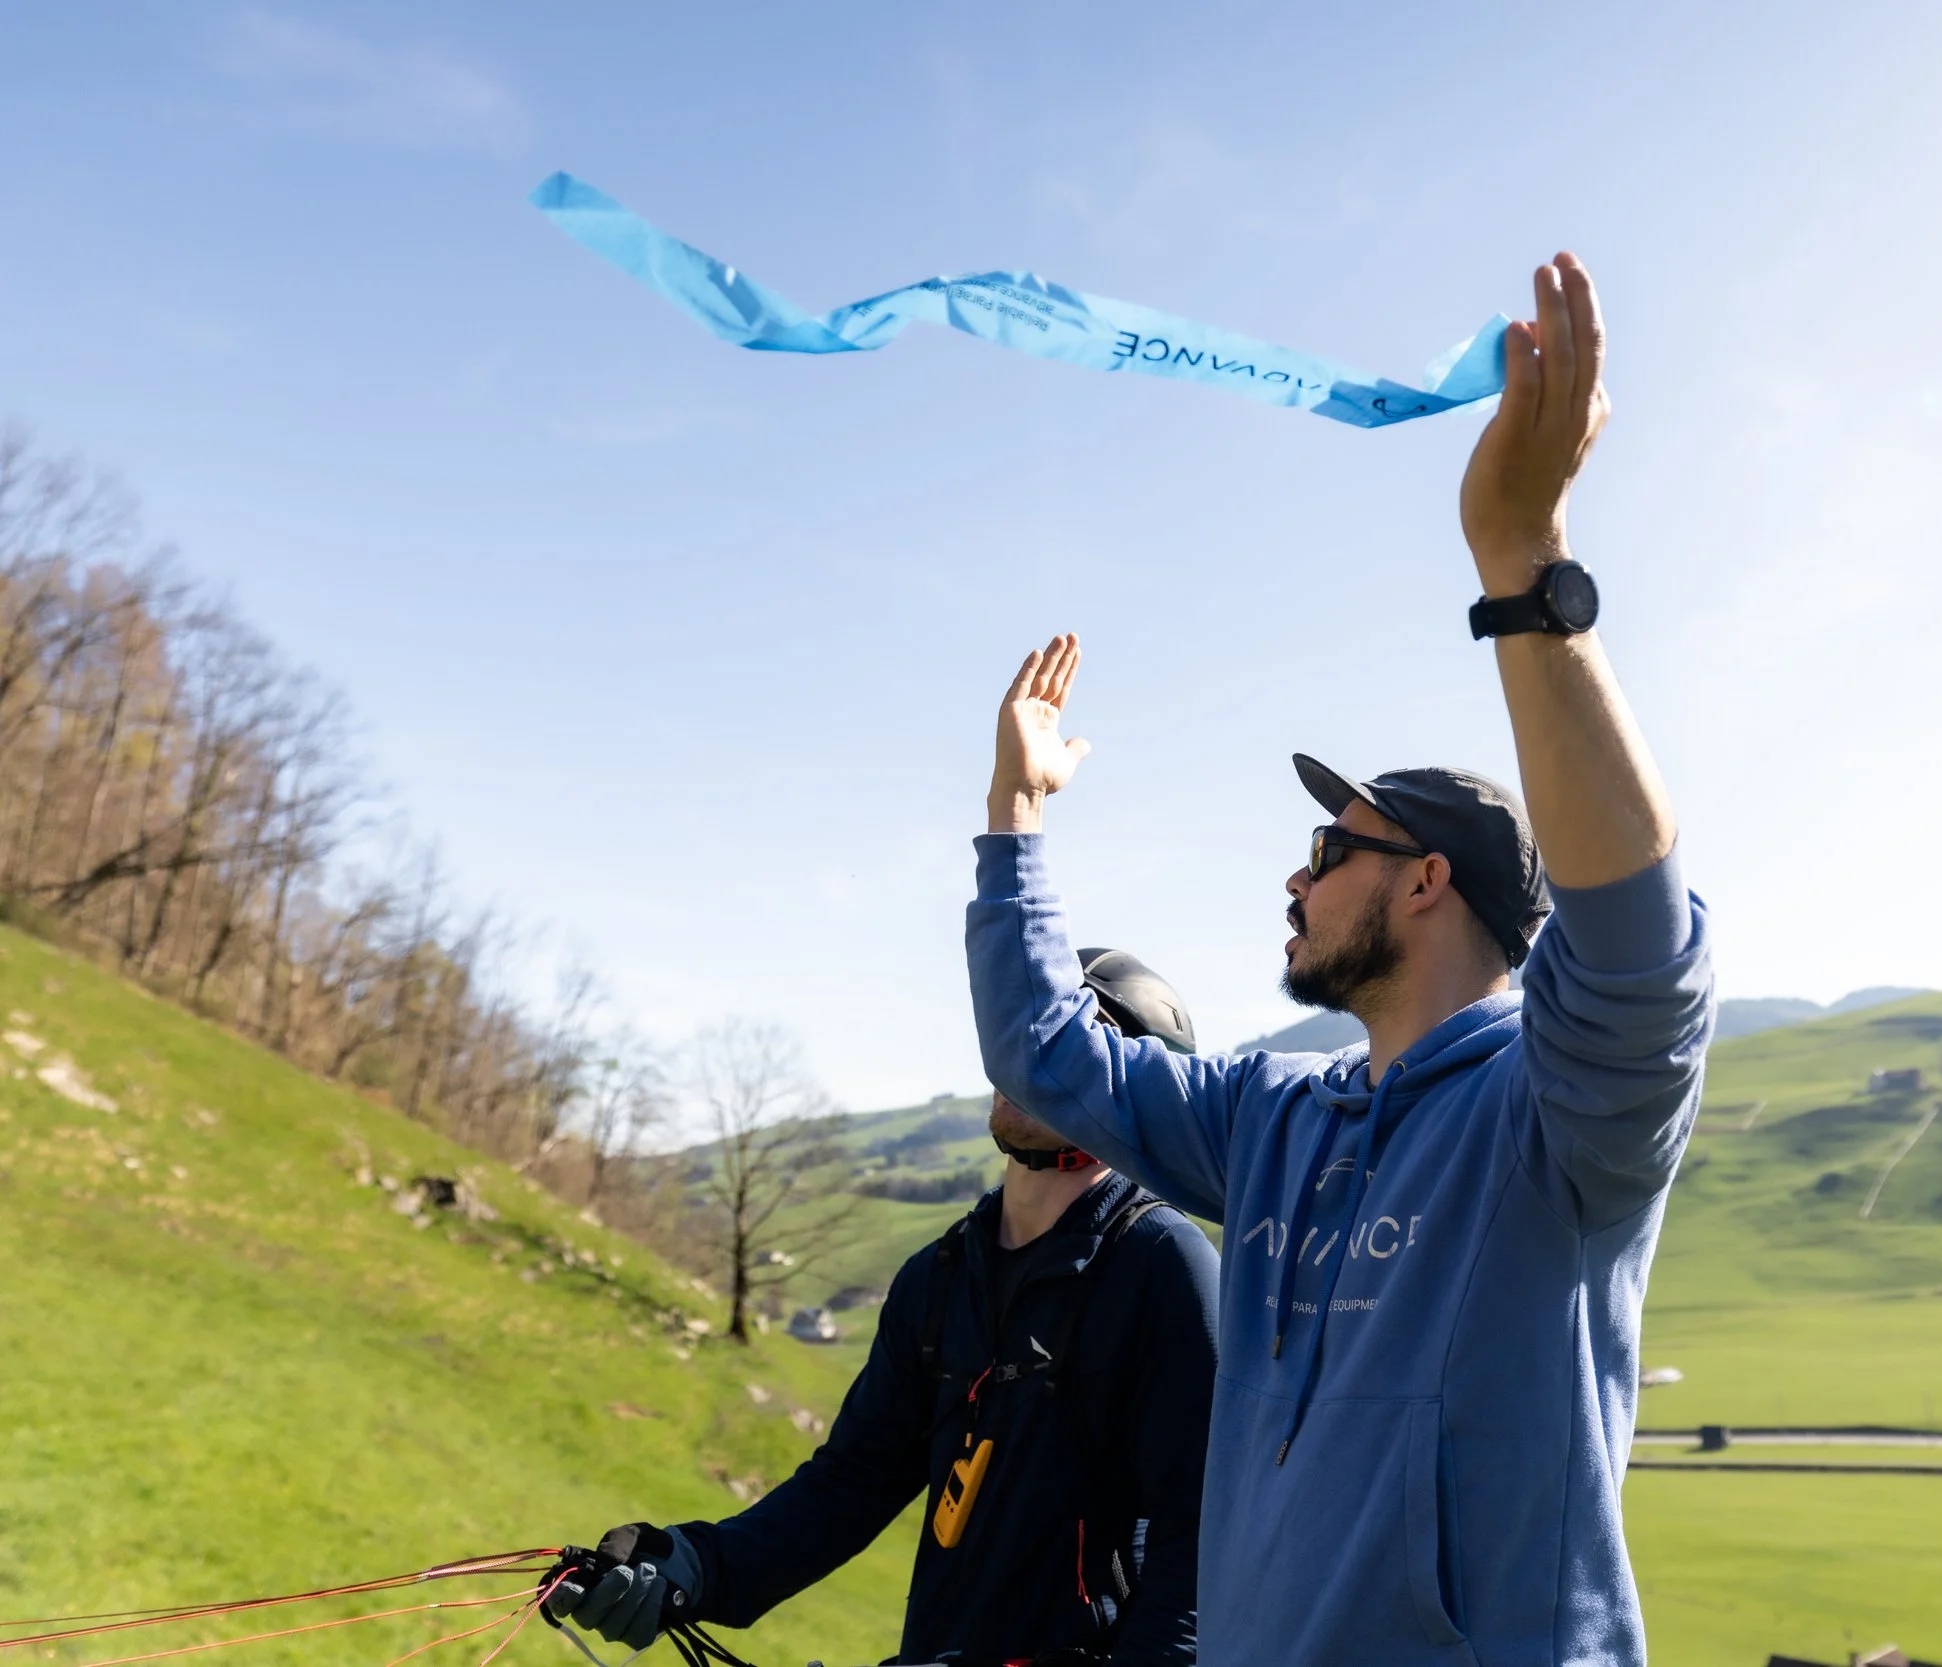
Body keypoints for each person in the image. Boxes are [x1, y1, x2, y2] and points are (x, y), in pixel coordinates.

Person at [967, 254, 1712, 1666]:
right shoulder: (1270, 1116)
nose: (1295, 876)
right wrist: (1018, 817)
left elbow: (1635, 946)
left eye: (1333, 847)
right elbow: (1045, 1057)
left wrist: (1521, 568)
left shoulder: (1555, 1117)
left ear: (1428, 880)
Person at [546, 950, 1221, 1667]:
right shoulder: (938, 1279)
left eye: (1078, 1033)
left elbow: (1203, 1555)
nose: (1033, 1048)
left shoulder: (1163, 1269)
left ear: (1139, 1086)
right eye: (1024, 1025)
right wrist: (693, 1565)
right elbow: (850, 1484)